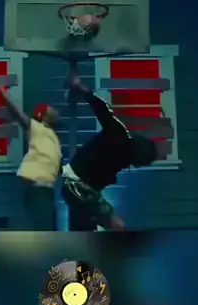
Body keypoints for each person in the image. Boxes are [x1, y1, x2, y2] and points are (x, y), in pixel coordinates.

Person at [62, 68, 168, 231]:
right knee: (117, 226)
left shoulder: (123, 153)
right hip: (77, 185)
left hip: (79, 187)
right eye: (140, 162)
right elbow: (102, 110)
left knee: (85, 229)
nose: (137, 165)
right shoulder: (118, 136)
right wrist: (81, 88)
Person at [0, 70, 62, 231]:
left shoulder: (53, 138)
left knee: (51, 232)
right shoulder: (34, 126)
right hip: (37, 188)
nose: (55, 110)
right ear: (44, 115)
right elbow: (13, 108)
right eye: (51, 109)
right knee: (45, 232)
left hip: (48, 191)